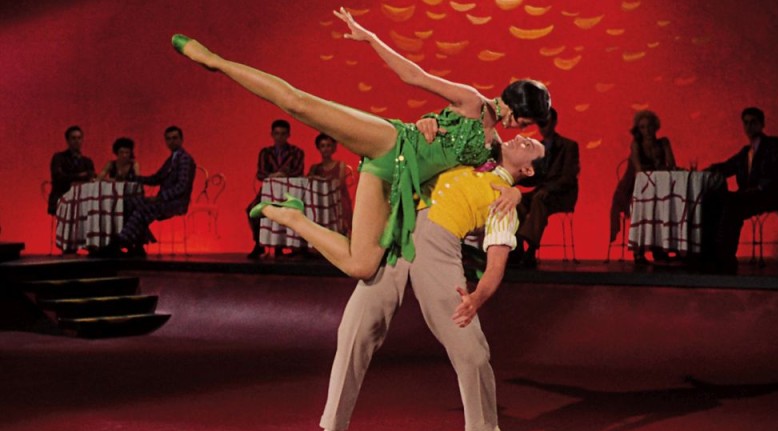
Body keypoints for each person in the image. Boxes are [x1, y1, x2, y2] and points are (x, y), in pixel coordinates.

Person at [172, 6, 550, 279]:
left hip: (392, 182)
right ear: (516, 104)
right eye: (525, 119)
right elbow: (413, 76)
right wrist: (371, 39)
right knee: (297, 103)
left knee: (361, 266)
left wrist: (518, 196)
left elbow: (502, 180)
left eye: (527, 126)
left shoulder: (493, 148)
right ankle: (215, 60)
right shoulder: (472, 101)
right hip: (390, 143)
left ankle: (290, 214)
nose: (521, 127)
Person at [310, 130, 546, 431]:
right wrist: (428, 124)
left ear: (529, 171)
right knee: (353, 333)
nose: (521, 138)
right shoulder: (473, 151)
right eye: (523, 135)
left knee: (473, 351)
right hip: (396, 240)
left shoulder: (505, 204)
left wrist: (477, 297)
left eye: (529, 146)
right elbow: (463, 115)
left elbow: (496, 265)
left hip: (440, 254)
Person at [705, 107, 778, 272]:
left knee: (731, 203)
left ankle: (725, 257)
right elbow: (727, 166)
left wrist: (759, 188)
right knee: (713, 199)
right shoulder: (745, 152)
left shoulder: (774, 145)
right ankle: (711, 254)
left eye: (753, 122)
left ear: (762, 124)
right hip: (745, 197)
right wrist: (707, 170)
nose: (749, 127)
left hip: (767, 196)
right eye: (746, 123)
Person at [99, 126, 196, 257]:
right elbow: (157, 178)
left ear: (181, 139)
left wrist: (160, 198)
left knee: (142, 209)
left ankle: (120, 242)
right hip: (164, 200)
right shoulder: (172, 158)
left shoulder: (184, 159)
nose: (171, 142)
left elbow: (181, 187)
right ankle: (137, 245)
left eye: (175, 138)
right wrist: (134, 178)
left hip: (176, 203)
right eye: (168, 139)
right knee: (128, 203)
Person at [513, 108, 580, 266]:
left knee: (539, 200)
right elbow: (534, 177)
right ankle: (518, 247)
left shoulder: (569, 146)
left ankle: (531, 249)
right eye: (540, 123)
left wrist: (549, 189)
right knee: (517, 202)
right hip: (542, 193)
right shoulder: (538, 148)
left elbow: (568, 177)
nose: (542, 127)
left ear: (554, 122)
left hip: (562, 194)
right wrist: (515, 178)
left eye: (545, 122)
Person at [609, 110, 676, 264]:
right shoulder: (636, 145)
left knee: (668, 203)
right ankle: (639, 251)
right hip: (633, 188)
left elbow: (672, 166)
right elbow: (639, 172)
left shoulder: (663, 142)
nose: (647, 131)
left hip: (659, 187)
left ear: (656, 127)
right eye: (643, 127)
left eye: (649, 126)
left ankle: (661, 248)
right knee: (643, 206)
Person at [246, 119, 306, 259]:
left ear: (288, 135)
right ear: (272, 134)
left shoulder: (297, 152)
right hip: (268, 193)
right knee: (252, 210)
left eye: (283, 134)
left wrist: (283, 175)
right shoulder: (265, 153)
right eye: (277, 134)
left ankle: (284, 246)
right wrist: (272, 175)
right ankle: (259, 244)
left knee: (291, 212)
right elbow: (260, 173)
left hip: (289, 194)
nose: (280, 137)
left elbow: (299, 171)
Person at [307, 133, 353, 236]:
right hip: (322, 204)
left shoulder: (340, 165)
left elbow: (339, 184)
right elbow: (307, 184)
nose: (326, 149)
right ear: (318, 148)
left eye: (328, 145)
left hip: (339, 202)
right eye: (322, 146)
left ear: (333, 148)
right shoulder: (314, 168)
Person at [48, 125, 95, 216]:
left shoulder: (87, 161)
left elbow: (91, 179)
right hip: (63, 200)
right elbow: (58, 177)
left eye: (79, 138)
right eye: (73, 138)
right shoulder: (59, 157)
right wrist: (79, 176)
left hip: (82, 203)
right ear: (68, 140)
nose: (77, 141)